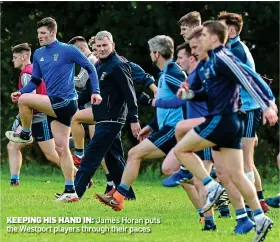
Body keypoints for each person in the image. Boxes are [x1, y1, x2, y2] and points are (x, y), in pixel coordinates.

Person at [175, 21, 276, 241]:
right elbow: (207, 93)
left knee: (181, 151)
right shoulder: (211, 62)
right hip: (228, 123)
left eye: (202, 37)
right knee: (236, 175)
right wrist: (190, 95)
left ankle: (211, 188)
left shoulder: (223, 57)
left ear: (212, 38)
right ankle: (259, 218)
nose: (198, 41)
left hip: (221, 121)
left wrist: (267, 104)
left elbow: (248, 79)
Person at [6, 17, 101, 202]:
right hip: (55, 105)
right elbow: (35, 81)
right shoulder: (39, 54)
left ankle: (25, 133)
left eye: (43, 33)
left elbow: (90, 67)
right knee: (61, 149)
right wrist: (20, 92)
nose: (39, 37)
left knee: (25, 101)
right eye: (38, 33)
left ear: (52, 32)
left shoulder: (68, 50)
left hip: (66, 101)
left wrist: (95, 91)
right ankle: (70, 191)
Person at [95, 35, 189, 212]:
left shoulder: (172, 74)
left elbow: (190, 99)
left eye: (151, 52)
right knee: (180, 176)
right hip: (170, 128)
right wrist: (152, 126)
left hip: (174, 130)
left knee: (134, 154)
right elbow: (168, 108)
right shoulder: (165, 74)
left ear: (157, 53)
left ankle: (118, 197)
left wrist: (187, 126)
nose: (150, 55)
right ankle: (207, 217)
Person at [74, 30, 140, 200]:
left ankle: (74, 193)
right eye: (99, 46)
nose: (102, 49)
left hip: (112, 118)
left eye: (105, 45)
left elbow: (130, 93)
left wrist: (134, 119)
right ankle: (128, 196)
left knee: (90, 157)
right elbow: (88, 93)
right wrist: (70, 103)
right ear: (94, 47)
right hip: (102, 117)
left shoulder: (118, 64)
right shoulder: (97, 66)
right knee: (114, 159)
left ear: (113, 45)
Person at [217, 11, 271, 214]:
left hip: (248, 110)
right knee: (242, 160)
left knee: (245, 161)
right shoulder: (230, 48)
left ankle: (252, 207)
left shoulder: (237, 50)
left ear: (230, 31)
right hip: (241, 111)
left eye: (220, 28)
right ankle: (259, 201)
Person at [7, 43, 60, 186]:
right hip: (36, 117)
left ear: (24, 57)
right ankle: (14, 182)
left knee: (51, 154)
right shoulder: (36, 70)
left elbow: (30, 101)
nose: (13, 60)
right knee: (12, 146)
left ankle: (80, 175)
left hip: (38, 118)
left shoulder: (26, 73)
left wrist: (22, 122)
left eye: (15, 57)